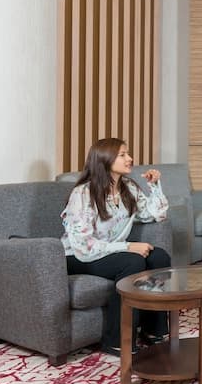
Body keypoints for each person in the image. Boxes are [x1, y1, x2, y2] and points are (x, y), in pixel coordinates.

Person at [61, 138, 171, 356]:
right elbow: (83, 245)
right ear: (105, 159)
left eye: (127, 154)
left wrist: (154, 186)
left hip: (110, 251)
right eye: (122, 155)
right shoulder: (83, 193)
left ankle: (153, 329)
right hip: (77, 255)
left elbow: (156, 214)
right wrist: (128, 246)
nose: (130, 158)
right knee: (132, 262)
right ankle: (117, 340)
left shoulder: (128, 187)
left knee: (159, 257)